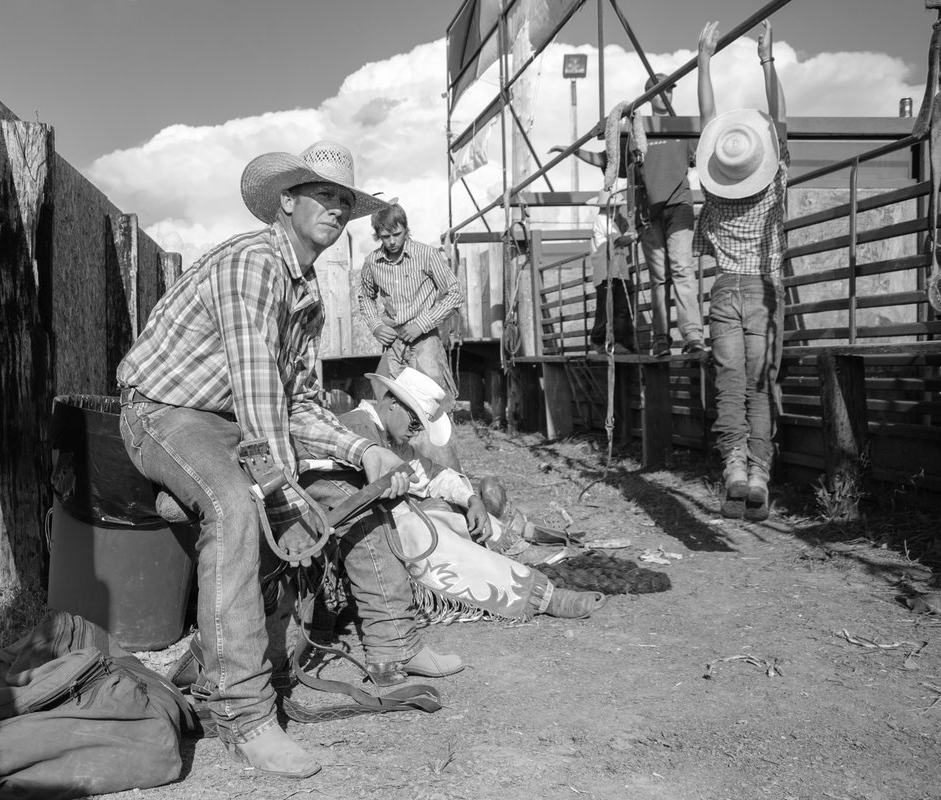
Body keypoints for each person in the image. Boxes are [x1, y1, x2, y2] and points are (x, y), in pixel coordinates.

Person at [117, 141, 458, 780]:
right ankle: (242, 715)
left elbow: (297, 404)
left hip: (233, 421)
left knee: (352, 480)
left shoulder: (308, 296)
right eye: (322, 194)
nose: (335, 207)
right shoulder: (253, 264)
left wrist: (364, 449)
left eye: (344, 199)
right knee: (236, 505)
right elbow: (255, 391)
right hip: (165, 414)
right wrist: (281, 488)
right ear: (287, 202)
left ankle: (394, 643)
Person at [332, 367, 608, 621]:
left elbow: (433, 474)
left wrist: (472, 500)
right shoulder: (358, 429)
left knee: (452, 512)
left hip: (383, 521)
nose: (415, 433)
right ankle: (537, 596)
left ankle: (514, 556)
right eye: (415, 424)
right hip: (359, 533)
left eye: (419, 428)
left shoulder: (387, 435)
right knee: (422, 529)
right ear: (393, 405)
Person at [695, 19, 789, 521]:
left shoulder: (714, 189)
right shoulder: (774, 185)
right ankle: (759, 475)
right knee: (760, 383)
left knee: (730, 382)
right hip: (764, 290)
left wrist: (704, 58)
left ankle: (733, 466)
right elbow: (780, 116)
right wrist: (767, 60)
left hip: (725, 291)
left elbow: (707, 121)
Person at [550, 73, 706, 356]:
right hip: (649, 214)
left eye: (668, 91)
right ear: (648, 96)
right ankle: (661, 340)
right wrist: (570, 150)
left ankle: (693, 336)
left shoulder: (682, 129)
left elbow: (704, 157)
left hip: (679, 206)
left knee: (682, 269)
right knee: (659, 278)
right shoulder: (635, 129)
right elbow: (604, 159)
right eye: (658, 91)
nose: (665, 96)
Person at [357, 203, 464, 470]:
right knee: (392, 409)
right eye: (385, 236)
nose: (392, 242)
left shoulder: (426, 255)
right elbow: (365, 297)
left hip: (424, 340)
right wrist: (375, 326)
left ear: (406, 229)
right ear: (377, 236)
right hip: (394, 344)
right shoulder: (372, 262)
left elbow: (454, 293)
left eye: (397, 234)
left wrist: (422, 323)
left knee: (433, 409)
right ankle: (405, 473)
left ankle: (446, 473)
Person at [585, 188, 639, 354]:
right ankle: (602, 340)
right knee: (609, 309)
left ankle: (611, 341)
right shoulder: (604, 221)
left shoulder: (609, 221)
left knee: (615, 308)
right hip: (608, 272)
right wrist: (637, 235)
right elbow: (619, 241)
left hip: (614, 271)